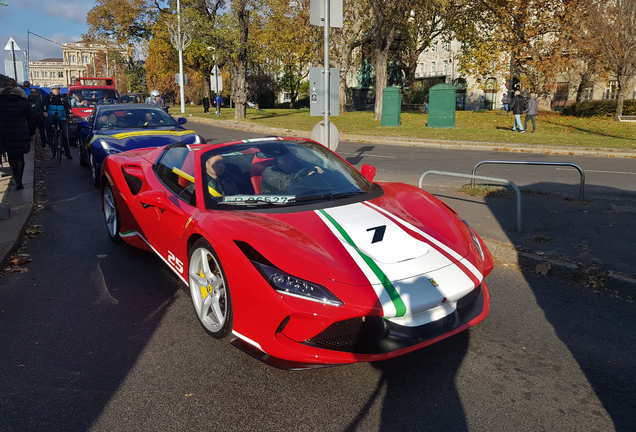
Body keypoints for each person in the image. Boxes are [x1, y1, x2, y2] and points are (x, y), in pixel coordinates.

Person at [0, 78, 35, 190]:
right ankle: (19, 181)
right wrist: (31, 132)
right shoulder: (23, 100)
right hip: (20, 130)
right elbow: (30, 118)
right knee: (20, 157)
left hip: (5, 131)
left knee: (10, 154)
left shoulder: (1, 100)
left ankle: (15, 175)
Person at [43, 84, 73, 158]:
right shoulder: (48, 98)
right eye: (55, 89)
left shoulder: (63, 98)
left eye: (58, 89)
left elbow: (67, 107)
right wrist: (44, 112)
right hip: (51, 115)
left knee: (64, 135)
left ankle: (67, 153)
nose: (56, 91)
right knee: (48, 124)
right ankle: (50, 139)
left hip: (61, 116)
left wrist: (69, 113)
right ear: (52, 90)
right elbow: (44, 106)